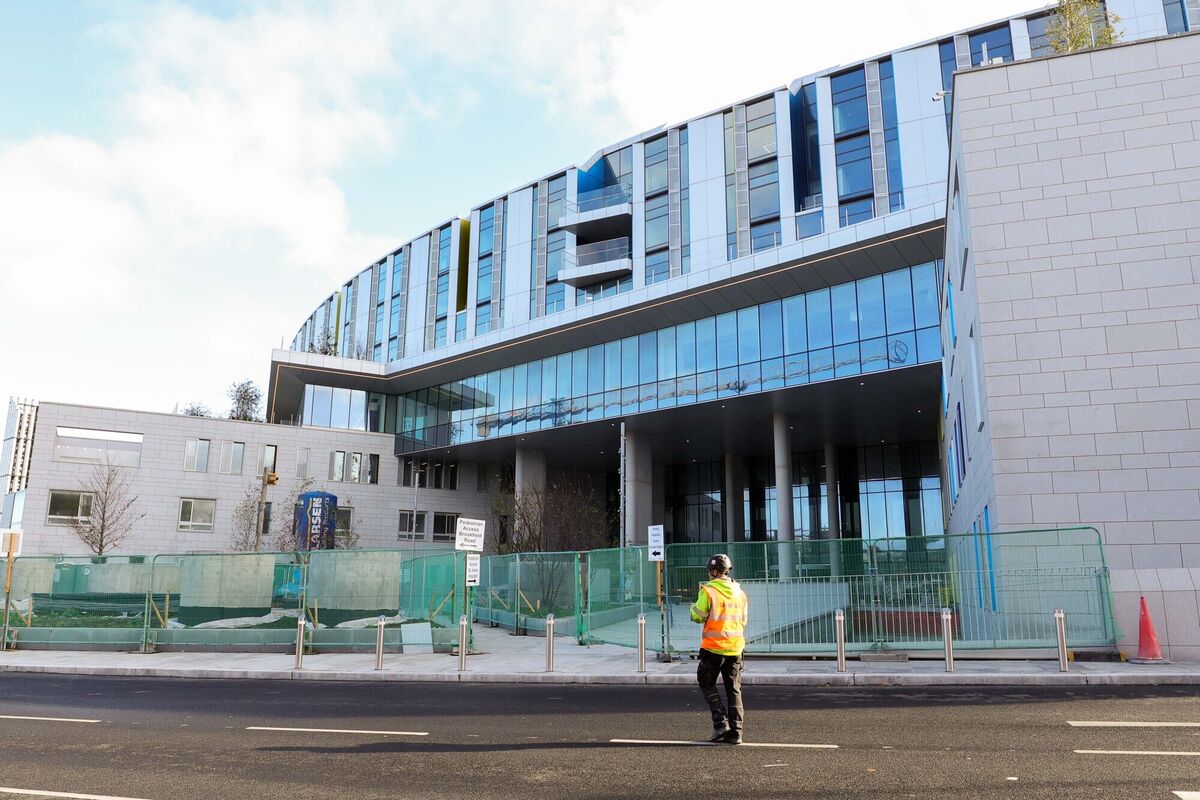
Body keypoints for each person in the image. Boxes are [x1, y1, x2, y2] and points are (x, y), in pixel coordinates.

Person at [689, 552, 749, 744]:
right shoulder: (740, 593)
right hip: (735, 648)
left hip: (714, 648)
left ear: (714, 571)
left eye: (710, 571)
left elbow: (698, 615)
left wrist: (692, 608)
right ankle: (736, 733)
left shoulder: (708, 591)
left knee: (706, 683)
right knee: (734, 689)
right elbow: (743, 620)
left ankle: (721, 723)